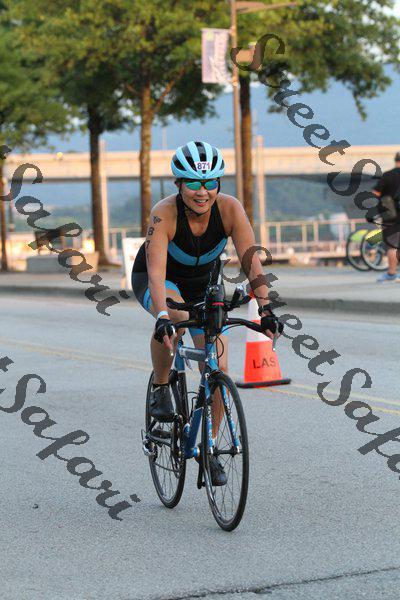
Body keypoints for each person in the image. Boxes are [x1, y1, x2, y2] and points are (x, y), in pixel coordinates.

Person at [132, 141, 282, 485]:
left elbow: (251, 261)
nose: (202, 192)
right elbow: (156, 272)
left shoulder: (230, 209)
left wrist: (266, 308)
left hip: (203, 285)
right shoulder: (164, 213)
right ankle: (161, 385)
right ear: (178, 184)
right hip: (161, 280)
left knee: (219, 367)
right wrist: (162, 317)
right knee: (177, 319)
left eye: (210, 183)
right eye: (193, 183)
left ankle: (207, 445)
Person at [372, 151, 400, 282]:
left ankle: (391, 274)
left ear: (395, 160)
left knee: (392, 245)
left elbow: (375, 192)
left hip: (390, 215)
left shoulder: (388, 175)